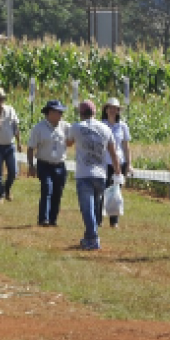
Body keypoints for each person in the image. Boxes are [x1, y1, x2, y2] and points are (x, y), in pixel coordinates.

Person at [66, 99, 122, 251]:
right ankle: (89, 235)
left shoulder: (76, 127)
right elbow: (113, 152)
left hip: (84, 174)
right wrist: (118, 171)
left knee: (87, 208)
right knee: (95, 206)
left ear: (81, 113)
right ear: (95, 112)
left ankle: (92, 239)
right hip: (100, 175)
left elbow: (68, 143)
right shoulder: (105, 129)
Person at [26, 100, 70, 227]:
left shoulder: (65, 127)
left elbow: (72, 139)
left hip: (60, 165)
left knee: (58, 192)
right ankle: (43, 219)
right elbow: (30, 148)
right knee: (47, 189)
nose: (61, 114)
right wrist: (31, 165)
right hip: (44, 165)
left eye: (61, 112)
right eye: (58, 112)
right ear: (50, 113)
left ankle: (53, 219)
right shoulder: (38, 128)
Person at [97, 97, 133, 228]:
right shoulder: (101, 125)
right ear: (106, 110)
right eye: (110, 108)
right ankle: (98, 219)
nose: (113, 111)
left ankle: (114, 221)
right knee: (102, 190)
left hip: (119, 162)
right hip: (104, 162)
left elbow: (126, 146)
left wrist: (129, 164)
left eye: (115, 109)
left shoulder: (122, 126)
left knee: (115, 192)